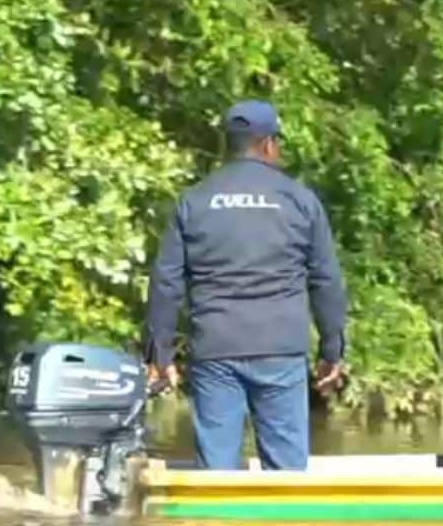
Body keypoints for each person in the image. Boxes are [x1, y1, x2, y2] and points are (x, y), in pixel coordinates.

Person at [143, 100, 347, 471]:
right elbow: (326, 279)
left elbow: (166, 281)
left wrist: (159, 354)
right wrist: (332, 350)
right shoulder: (300, 200)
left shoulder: (194, 201)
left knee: (216, 478)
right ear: (269, 144)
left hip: (215, 348)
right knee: (287, 477)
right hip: (280, 349)